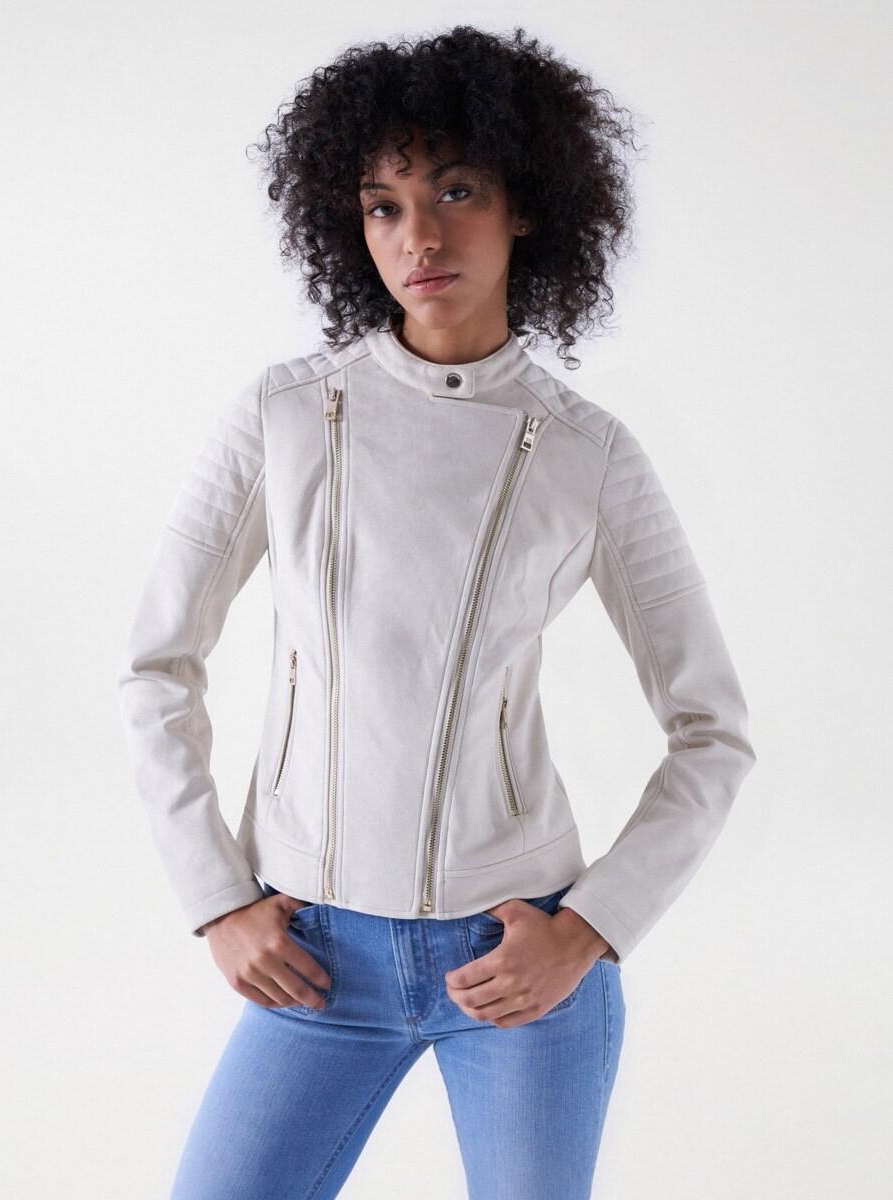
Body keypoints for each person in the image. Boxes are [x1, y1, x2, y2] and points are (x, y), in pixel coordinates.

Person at [116, 24, 756, 1200]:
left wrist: (589, 930)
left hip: (517, 965)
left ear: (528, 205)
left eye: (456, 192)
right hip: (313, 959)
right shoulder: (283, 417)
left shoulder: (590, 455)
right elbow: (156, 665)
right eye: (384, 205)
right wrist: (218, 902)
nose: (419, 237)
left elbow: (712, 730)